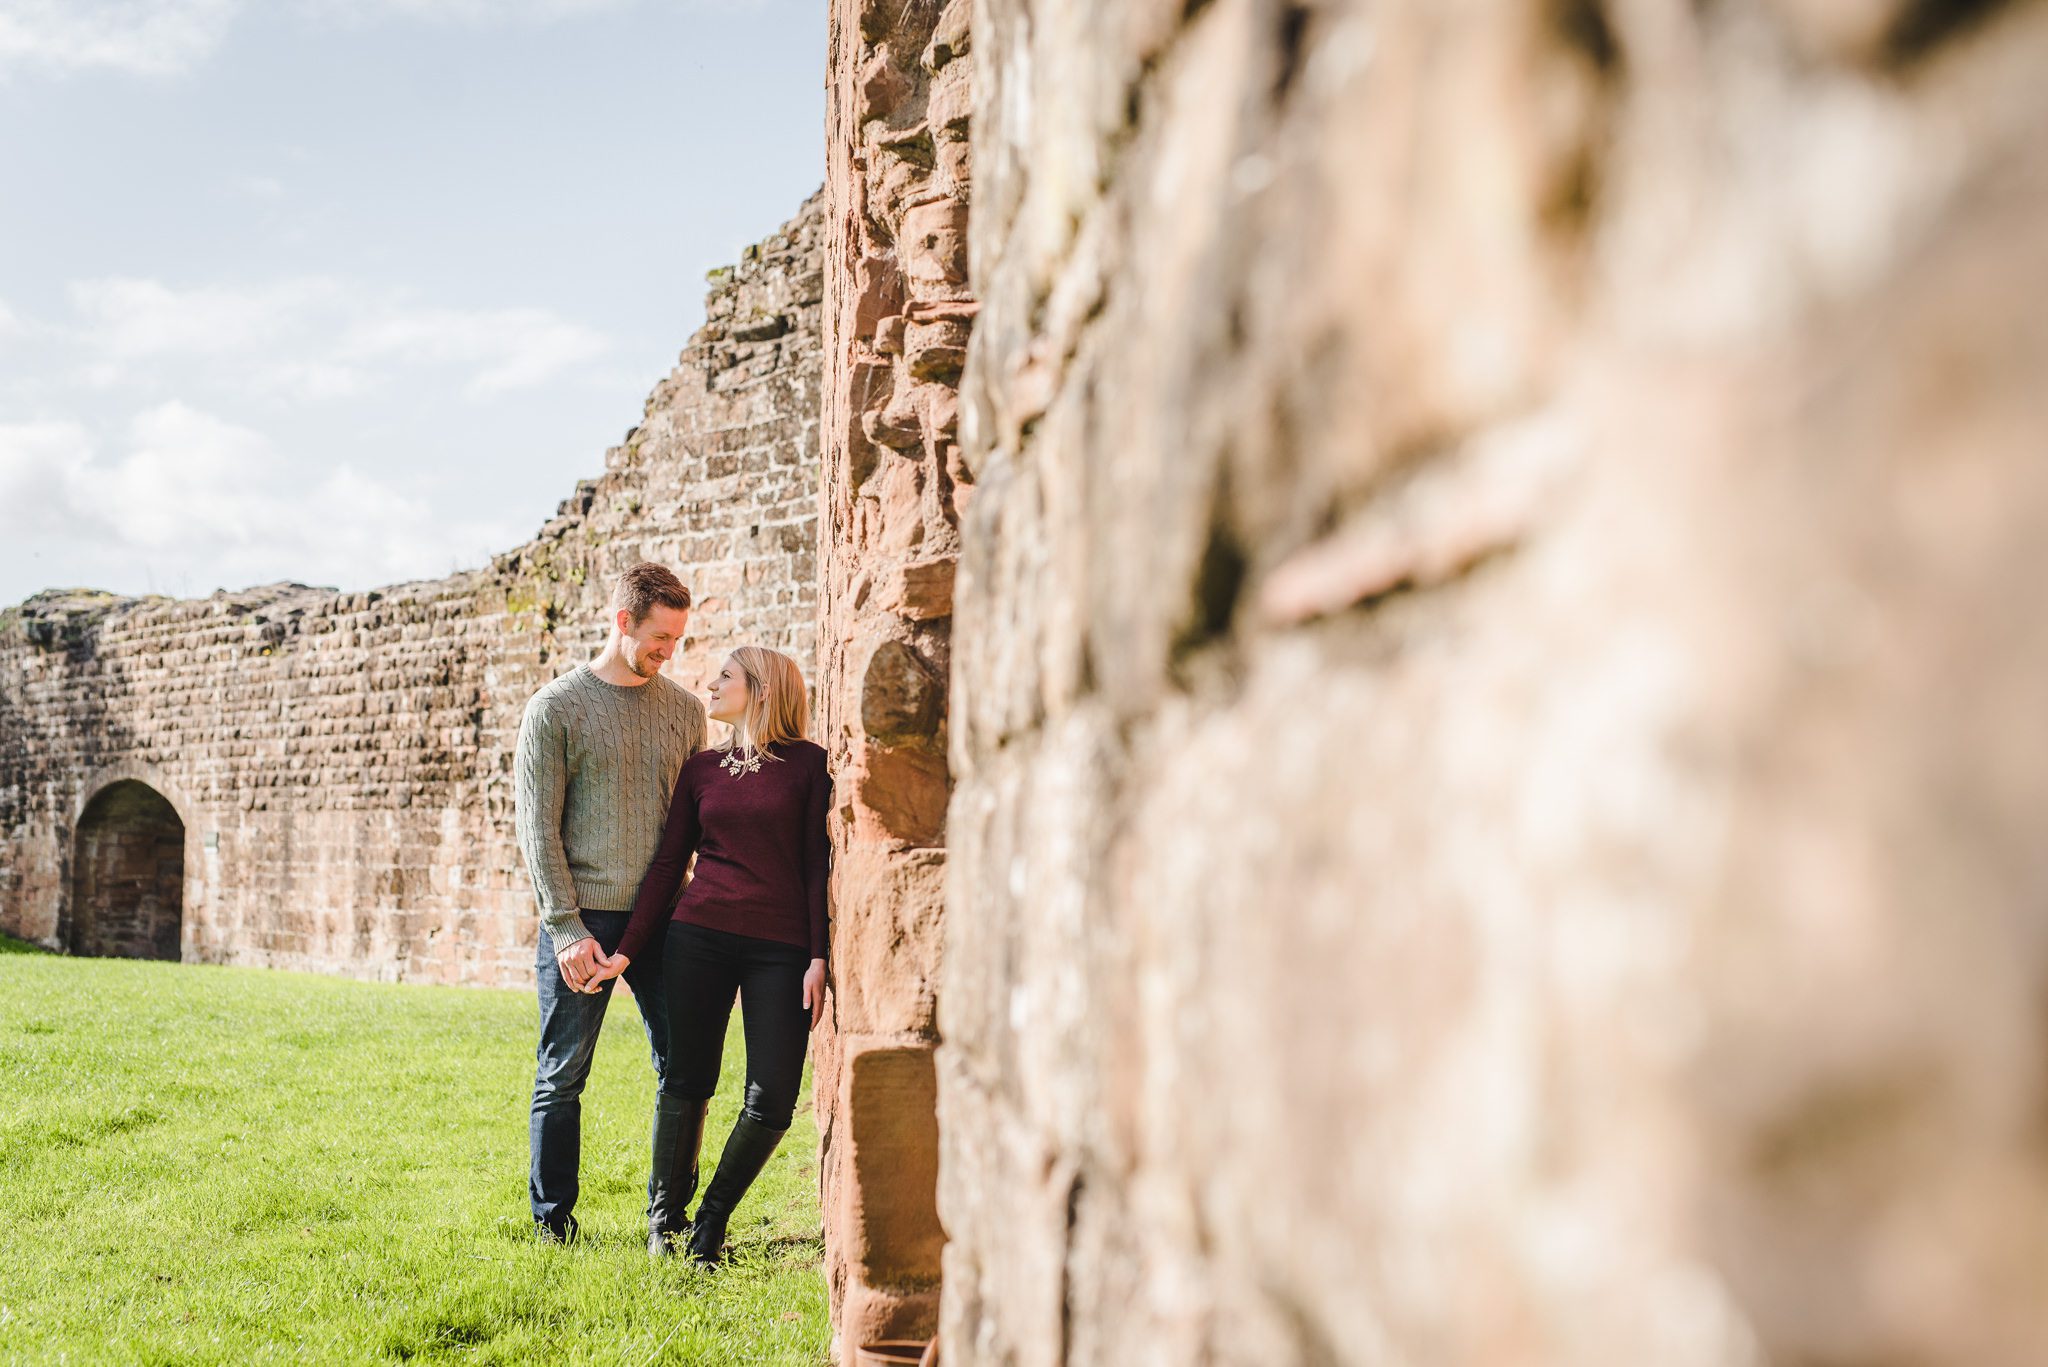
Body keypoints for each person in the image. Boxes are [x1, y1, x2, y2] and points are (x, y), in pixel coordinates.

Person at [598, 645, 830, 1264]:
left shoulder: (810, 765)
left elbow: (816, 863)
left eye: (724, 676)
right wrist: (627, 950)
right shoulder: (700, 769)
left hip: (779, 950)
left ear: (761, 688)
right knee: (687, 1078)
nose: (710, 684)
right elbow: (671, 863)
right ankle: (664, 1221)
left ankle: (713, 1218)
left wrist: (819, 954)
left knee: (774, 1094)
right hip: (696, 938)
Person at [513, 562, 707, 1247]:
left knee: (683, 1066)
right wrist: (565, 926)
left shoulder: (686, 712)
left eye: (678, 639)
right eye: (659, 636)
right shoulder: (554, 708)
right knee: (562, 1075)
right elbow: (537, 828)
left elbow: (688, 826)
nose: (669, 652)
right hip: (581, 919)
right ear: (621, 620)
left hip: (662, 915)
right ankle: (553, 1226)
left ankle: (668, 1221)